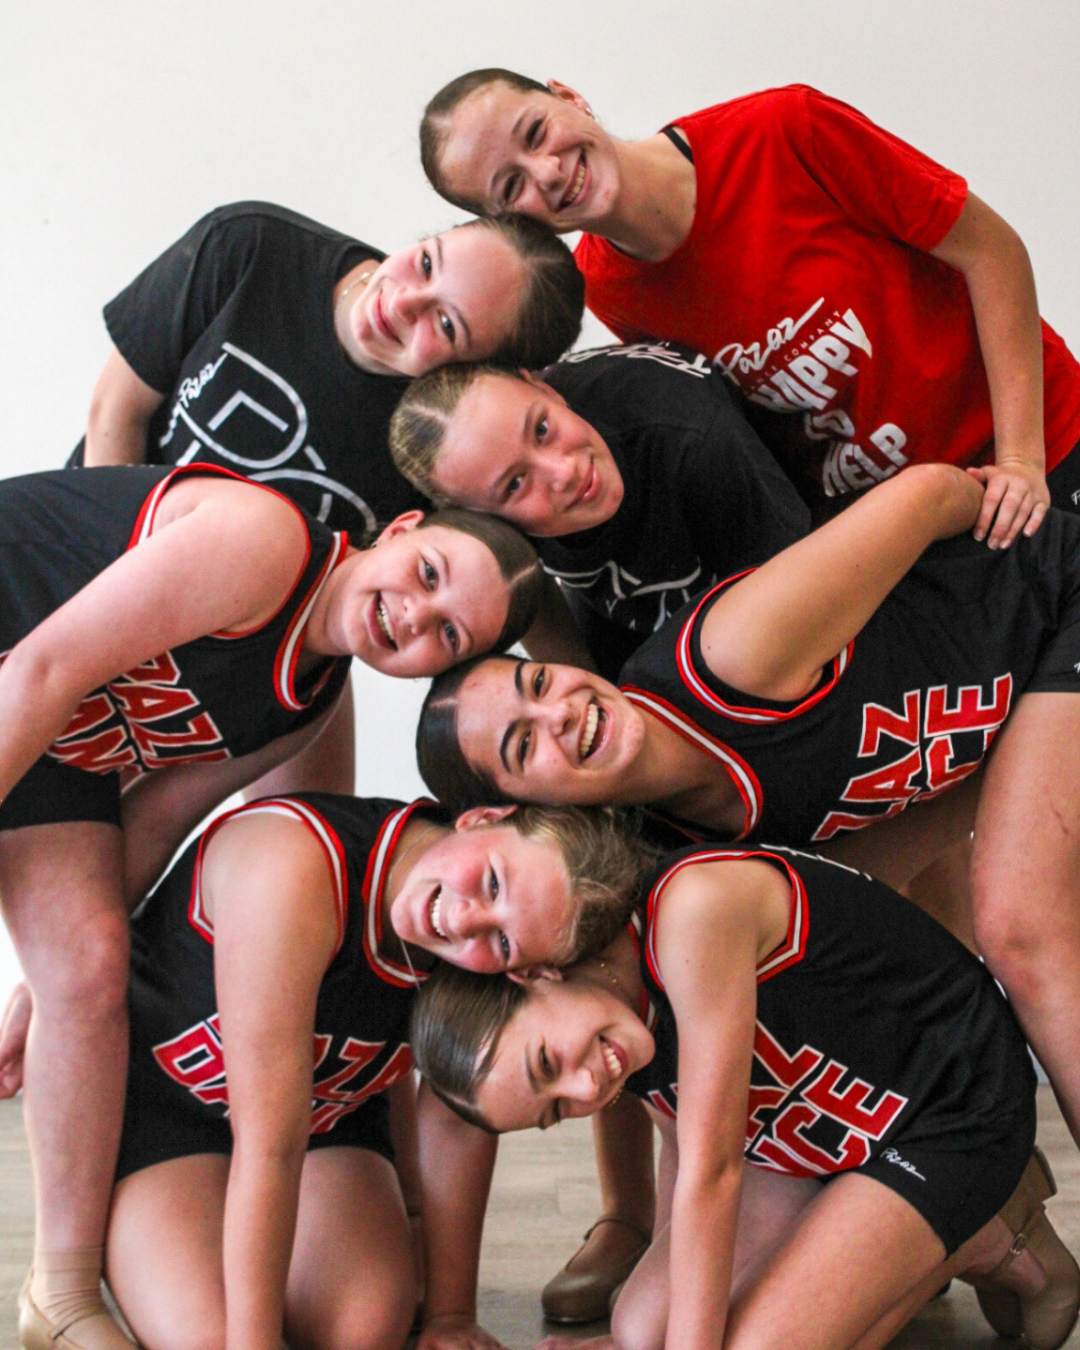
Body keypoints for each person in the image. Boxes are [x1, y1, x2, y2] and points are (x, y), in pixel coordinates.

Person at [0, 460, 542, 1350]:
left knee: (90, 966)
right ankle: (67, 1274)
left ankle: (57, 1295)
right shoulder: (266, 544)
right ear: (401, 530)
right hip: (19, 676)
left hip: (60, 749)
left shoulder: (307, 700)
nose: (415, 614)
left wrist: (51, 980)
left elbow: (161, 810)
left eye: (447, 634)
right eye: (430, 575)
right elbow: (42, 666)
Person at [416, 462, 1080, 1165]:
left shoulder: (729, 655)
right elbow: (889, 860)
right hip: (1023, 702)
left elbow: (931, 494)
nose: (560, 712)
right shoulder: (683, 851)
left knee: (1021, 926)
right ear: (528, 807)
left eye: (539, 682)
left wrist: (1016, 474)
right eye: (524, 745)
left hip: (1060, 594)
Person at [2, 790, 650, 1350]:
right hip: (172, 1108)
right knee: (211, 1336)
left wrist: (451, 1314)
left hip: (326, 1119)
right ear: (482, 819)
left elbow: (456, 1112)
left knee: (364, 1327)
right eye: (490, 884)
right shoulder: (294, 865)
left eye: (505, 942)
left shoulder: (505, 939)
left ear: (530, 967)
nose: (462, 918)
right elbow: (269, 1144)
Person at [411, 841, 1080, 1350]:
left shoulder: (689, 910)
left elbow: (712, 1174)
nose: (586, 1087)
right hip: (832, 1132)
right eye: (557, 1109)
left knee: (755, 1345)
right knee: (643, 1326)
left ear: (536, 972)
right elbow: (686, 1140)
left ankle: (987, 1234)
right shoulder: (609, 1021)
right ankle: (881, 1239)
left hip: (952, 1111)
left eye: (546, 1062)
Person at [419, 71, 1080, 545]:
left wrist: (1023, 460)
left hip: (1041, 448)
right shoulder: (606, 289)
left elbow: (991, 252)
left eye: (536, 132)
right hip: (925, 528)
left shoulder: (783, 129)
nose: (549, 173)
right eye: (512, 187)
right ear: (514, 224)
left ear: (568, 96)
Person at [75, 200, 585, 794]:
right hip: (112, 562)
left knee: (300, 821)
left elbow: (522, 586)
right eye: (425, 263)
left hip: (269, 654)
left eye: (446, 326)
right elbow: (116, 409)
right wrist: (115, 602)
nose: (402, 303)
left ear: (477, 375)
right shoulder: (253, 247)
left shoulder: (444, 438)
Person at [389, 341, 810, 679]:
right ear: (482, 523)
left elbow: (804, 613)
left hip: (781, 574)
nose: (564, 472)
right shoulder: (485, 517)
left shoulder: (694, 442)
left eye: (541, 429)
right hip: (637, 609)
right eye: (515, 484)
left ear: (544, 388)